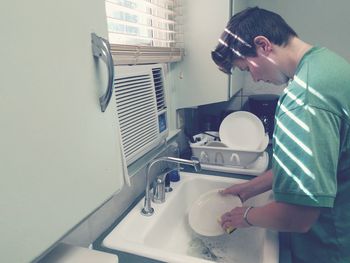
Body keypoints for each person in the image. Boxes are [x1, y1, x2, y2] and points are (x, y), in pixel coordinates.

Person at [211, 6, 350, 263]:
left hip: (331, 244)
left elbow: (298, 216)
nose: (253, 76)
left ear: (263, 45)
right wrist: (249, 188)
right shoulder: (324, 64)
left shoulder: (304, 100)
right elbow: (311, 165)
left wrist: (245, 216)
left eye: (247, 67)